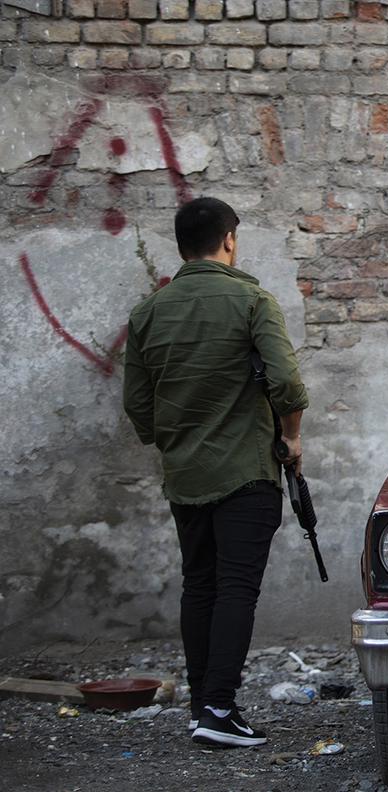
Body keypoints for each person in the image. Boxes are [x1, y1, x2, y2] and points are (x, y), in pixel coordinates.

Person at [123, 197, 308, 747]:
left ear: (182, 245)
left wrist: (176, 441)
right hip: (247, 473)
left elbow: (138, 405)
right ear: (229, 239)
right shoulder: (252, 300)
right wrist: (292, 437)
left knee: (199, 585)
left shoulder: (147, 313)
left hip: (185, 475)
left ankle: (204, 704)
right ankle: (220, 710)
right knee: (235, 590)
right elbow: (288, 386)